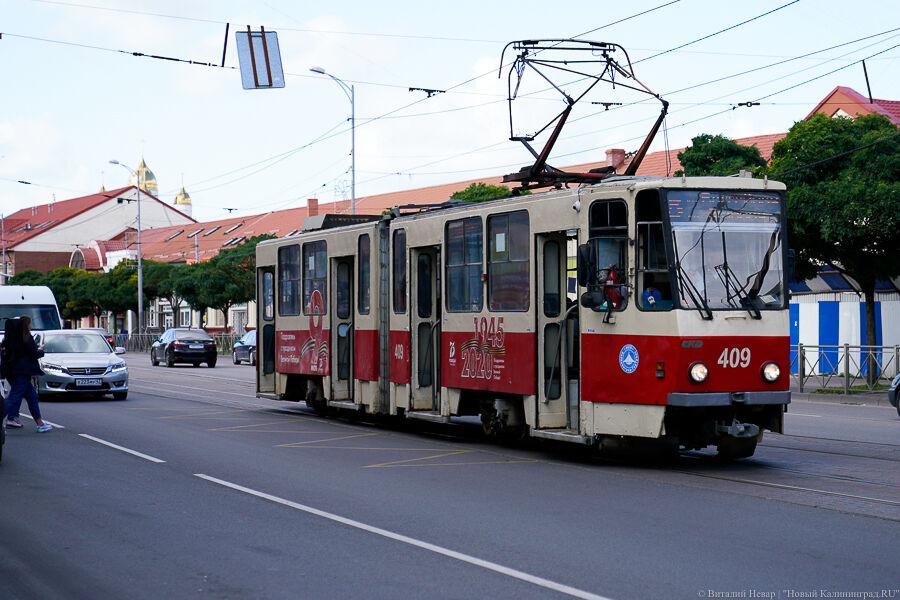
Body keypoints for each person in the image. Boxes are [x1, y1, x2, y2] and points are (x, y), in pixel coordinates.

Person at [3, 316, 51, 433]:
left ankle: (40, 423)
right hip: (23, 372)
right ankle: (38, 423)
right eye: (30, 323)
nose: (31, 326)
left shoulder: (12, 337)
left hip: (14, 371)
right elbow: (33, 354)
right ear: (26, 325)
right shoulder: (26, 338)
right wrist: (41, 351)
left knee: (32, 396)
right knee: (14, 398)